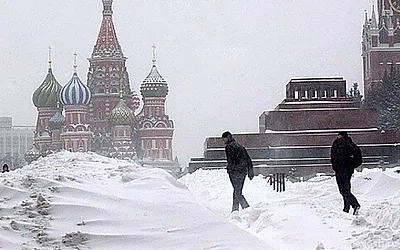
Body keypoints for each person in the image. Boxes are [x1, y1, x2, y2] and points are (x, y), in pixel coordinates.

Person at [221, 131, 254, 212]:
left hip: (235, 172)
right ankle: (235, 210)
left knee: (237, 192)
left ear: (228, 137)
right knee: (237, 191)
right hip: (243, 172)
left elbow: (231, 161)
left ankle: (247, 208)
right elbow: (248, 159)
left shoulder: (229, 147)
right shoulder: (240, 146)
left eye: (223, 139)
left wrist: (230, 170)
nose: (223, 141)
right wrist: (250, 171)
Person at [331, 131, 361, 215]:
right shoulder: (350, 144)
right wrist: (351, 165)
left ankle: (355, 205)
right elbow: (358, 158)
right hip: (346, 170)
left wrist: (336, 165)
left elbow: (334, 157)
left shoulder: (338, 144)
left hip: (341, 169)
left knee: (343, 190)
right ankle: (346, 207)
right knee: (346, 189)